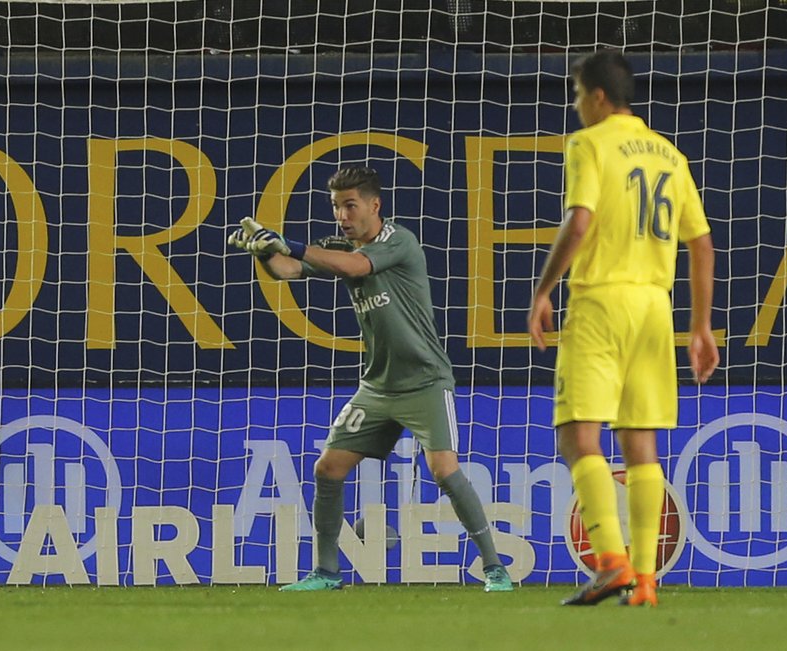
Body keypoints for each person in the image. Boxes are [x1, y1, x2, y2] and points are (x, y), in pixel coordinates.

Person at [229, 166, 514, 592]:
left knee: (444, 470)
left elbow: (356, 266)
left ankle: (495, 569)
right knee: (328, 467)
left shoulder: (398, 241)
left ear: (374, 205)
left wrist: (289, 243)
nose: (342, 216)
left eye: (350, 206)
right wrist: (263, 251)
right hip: (378, 386)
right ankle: (326, 572)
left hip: (425, 381)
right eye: (336, 207)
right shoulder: (339, 246)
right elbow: (289, 270)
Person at [527, 50, 719, 607]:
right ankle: (646, 581)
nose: (575, 104)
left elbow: (580, 219)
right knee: (641, 442)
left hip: (601, 301)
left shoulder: (588, 143)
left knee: (577, 434)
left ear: (598, 97)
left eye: (576, 93)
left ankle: (609, 561)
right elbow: (701, 244)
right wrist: (701, 327)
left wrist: (542, 290)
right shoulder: (669, 153)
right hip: (655, 308)